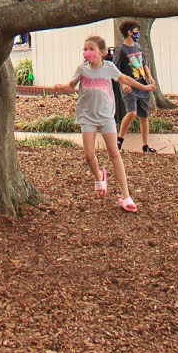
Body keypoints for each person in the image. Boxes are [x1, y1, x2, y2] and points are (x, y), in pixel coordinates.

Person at [64, 34, 154, 214]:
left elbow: (125, 79)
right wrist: (61, 87)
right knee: (89, 155)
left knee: (114, 153)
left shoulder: (109, 67)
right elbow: (71, 85)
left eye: (91, 49)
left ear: (102, 52)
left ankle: (126, 195)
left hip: (106, 117)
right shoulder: (82, 69)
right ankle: (99, 175)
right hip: (87, 117)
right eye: (85, 49)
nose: (87, 52)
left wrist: (144, 87)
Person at [114, 20, 157, 153]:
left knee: (144, 117)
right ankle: (119, 139)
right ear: (129, 32)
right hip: (130, 87)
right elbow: (115, 70)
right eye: (136, 31)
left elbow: (144, 63)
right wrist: (123, 84)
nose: (138, 33)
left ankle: (145, 146)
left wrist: (150, 77)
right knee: (132, 113)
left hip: (143, 84)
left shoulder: (138, 47)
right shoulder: (121, 50)